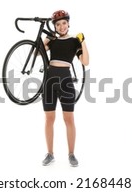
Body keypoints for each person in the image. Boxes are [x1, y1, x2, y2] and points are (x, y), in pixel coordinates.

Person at [41, 10, 89, 167]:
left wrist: (83, 41)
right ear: (55, 26)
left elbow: (86, 61)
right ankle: (50, 154)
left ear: (68, 23)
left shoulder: (74, 41)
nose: (61, 27)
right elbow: (35, 52)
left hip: (66, 81)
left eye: (63, 23)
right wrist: (46, 39)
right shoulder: (53, 40)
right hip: (49, 80)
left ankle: (71, 154)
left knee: (69, 119)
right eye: (58, 24)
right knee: (49, 119)